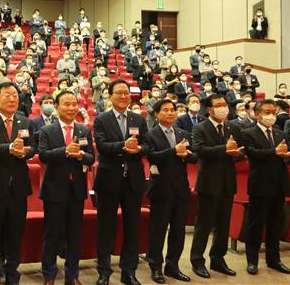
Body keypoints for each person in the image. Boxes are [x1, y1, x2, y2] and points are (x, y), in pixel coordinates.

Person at [0, 82, 36, 285]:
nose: (13, 99)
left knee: (15, 232)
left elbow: (32, 147)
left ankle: (12, 272)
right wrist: (11, 148)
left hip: (19, 186)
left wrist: (25, 152)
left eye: (15, 95)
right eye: (8, 95)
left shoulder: (25, 121)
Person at [92, 79, 149, 285]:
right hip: (109, 180)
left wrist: (139, 149)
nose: (124, 96)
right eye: (119, 93)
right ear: (110, 95)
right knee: (106, 228)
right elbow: (102, 146)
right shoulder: (101, 119)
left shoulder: (138, 119)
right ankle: (104, 272)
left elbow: (147, 144)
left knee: (132, 228)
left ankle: (129, 272)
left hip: (133, 181)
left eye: (126, 93)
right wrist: (123, 146)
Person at [38, 90, 95, 285]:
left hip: (77, 190)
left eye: (74, 104)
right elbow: (43, 155)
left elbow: (91, 157)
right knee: (52, 235)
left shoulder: (84, 130)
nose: (71, 108)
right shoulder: (47, 131)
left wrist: (81, 156)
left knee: (74, 235)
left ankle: (72, 275)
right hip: (54, 190)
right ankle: (49, 275)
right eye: (66, 104)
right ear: (56, 107)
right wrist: (66, 151)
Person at [190, 94, 244, 279]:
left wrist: (237, 154)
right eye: (218, 105)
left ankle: (218, 259)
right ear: (210, 110)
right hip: (208, 183)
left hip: (228, 183)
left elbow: (240, 153)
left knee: (223, 225)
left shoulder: (233, 127)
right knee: (204, 225)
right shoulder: (200, 128)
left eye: (224, 104)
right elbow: (199, 150)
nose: (223, 107)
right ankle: (197, 260)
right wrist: (225, 149)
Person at [146, 99, 198, 283]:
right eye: (165, 110)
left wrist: (188, 154)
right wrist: (173, 150)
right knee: (158, 230)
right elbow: (151, 156)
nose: (170, 113)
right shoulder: (150, 134)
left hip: (181, 188)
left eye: (172, 110)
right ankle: (155, 266)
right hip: (160, 188)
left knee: (178, 230)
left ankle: (172, 266)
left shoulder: (183, 133)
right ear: (156, 114)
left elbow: (194, 156)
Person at [242, 99, 290, 276]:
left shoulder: (280, 133)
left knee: (275, 225)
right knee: (255, 225)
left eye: (273, 111)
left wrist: (288, 156)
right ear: (258, 115)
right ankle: (252, 261)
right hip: (260, 185)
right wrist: (275, 152)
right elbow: (253, 155)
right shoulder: (248, 133)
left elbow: (286, 157)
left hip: (279, 185)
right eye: (267, 112)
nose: (271, 115)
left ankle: (274, 260)